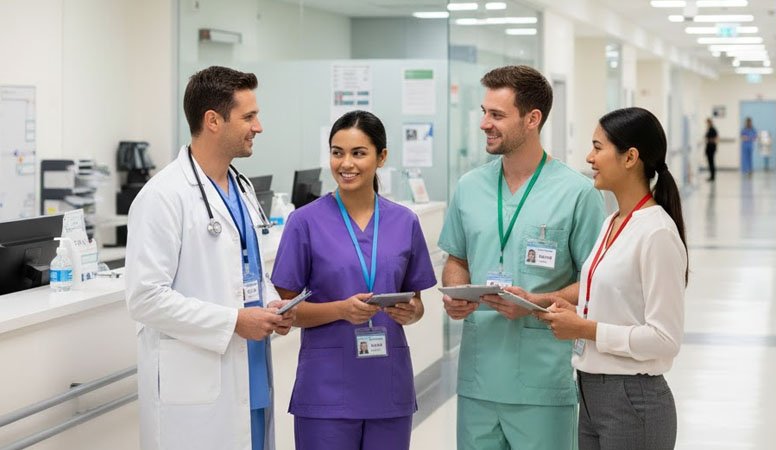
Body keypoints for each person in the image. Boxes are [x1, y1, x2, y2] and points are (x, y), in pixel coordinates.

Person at [125, 66, 295, 450]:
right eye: (249, 117)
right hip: (197, 387)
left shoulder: (241, 185)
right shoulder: (163, 197)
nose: (259, 126)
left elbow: (247, 266)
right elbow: (145, 298)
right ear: (213, 120)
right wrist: (234, 321)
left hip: (249, 374)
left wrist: (270, 302)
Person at [437, 65, 606, 450]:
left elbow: (596, 284)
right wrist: (456, 290)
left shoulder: (577, 193)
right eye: (483, 112)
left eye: (496, 115)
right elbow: (457, 256)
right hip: (478, 380)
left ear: (533, 119)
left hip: (542, 383)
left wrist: (535, 303)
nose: (484, 124)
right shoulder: (470, 187)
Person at [270, 110, 437, 450]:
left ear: (382, 157)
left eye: (358, 153)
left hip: (388, 384)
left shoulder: (404, 222)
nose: (346, 163)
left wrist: (412, 311)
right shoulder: (304, 222)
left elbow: (416, 302)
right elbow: (286, 313)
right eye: (337, 152)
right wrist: (341, 311)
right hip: (326, 388)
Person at [538, 107, 688, 450]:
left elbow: (666, 339)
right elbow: (606, 292)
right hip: (591, 391)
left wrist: (584, 329)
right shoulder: (614, 221)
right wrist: (548, 302)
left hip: (633, 398)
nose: (589, 157)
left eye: (598, 147)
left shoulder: (657, 233)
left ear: (630, 157)